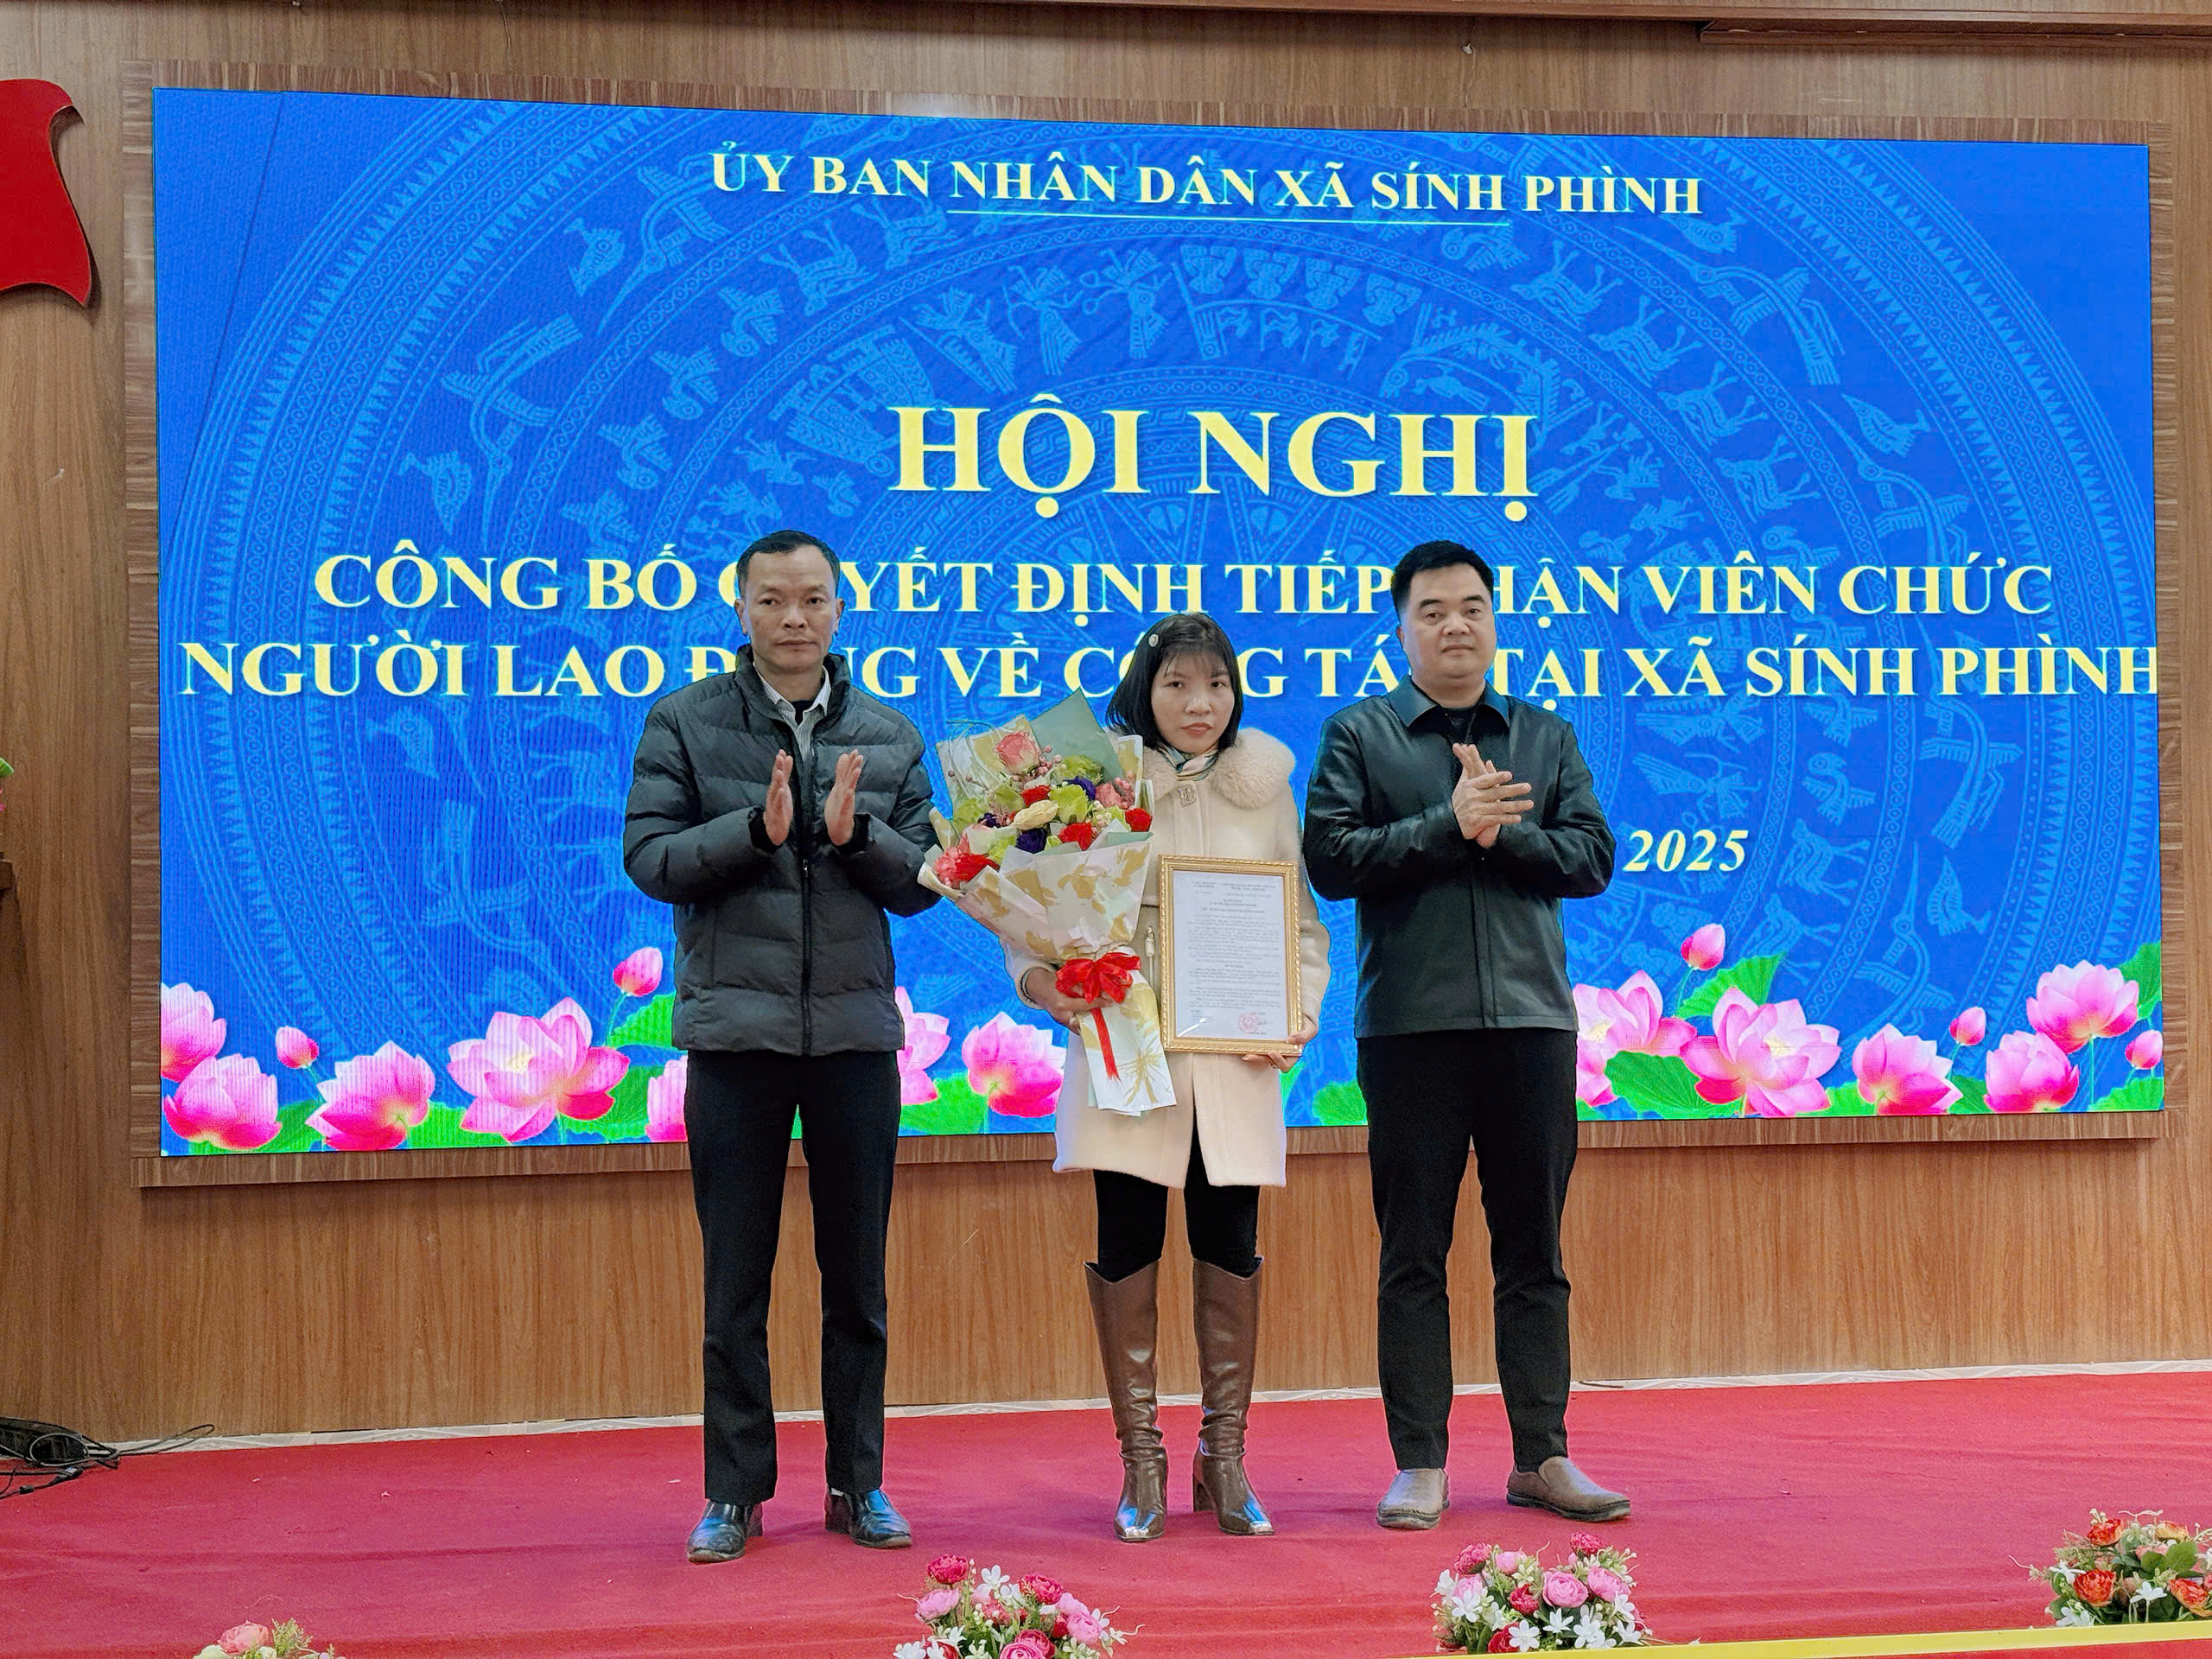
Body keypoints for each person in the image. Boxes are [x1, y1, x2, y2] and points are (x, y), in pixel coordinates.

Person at [623, 527, 940, 1563]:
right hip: (735, 1037)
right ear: (742, 609)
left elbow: (926, 882)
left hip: (853, 1038)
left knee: (857, 1281)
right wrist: (754, 832)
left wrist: (855, 836)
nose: (793, 618)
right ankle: (734, 1492)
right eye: (772, 600)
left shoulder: (888, 734)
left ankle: (859, 1484)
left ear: (840, 609)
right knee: (735, 1282)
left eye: (811, 599)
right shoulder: (684, 720)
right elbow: (648, 858)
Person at [1301, 539, 1625, 1529]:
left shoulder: (1546, 735)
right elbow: (1331, 860)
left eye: (1472, 607)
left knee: (1534, 1250)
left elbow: (1591, 859)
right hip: (1411, 1028)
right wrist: (1447, 824)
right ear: (1400, 630)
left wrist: (1500, 831)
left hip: (1531, 1024)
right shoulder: (1360, 735)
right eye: (1433, 611)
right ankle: (1419, 1464)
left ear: (1494, 621)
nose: (1455, 625)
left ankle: (1543, 1456)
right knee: (1413, 1252)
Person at [1011, 613, 1330, 1542]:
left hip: (1233, 1053)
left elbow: (1301, 925)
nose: (1200, 703)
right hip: (1127, 1041)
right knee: (1127, 1240)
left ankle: (1223, 1458)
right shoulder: (1091, 782)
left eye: (1217, 684)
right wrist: (1039, 979)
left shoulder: (1266, 787)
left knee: (1230, 1241)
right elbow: (1036, 908)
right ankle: (1142, 1462)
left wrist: (1297, 1009)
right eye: (1178, 684)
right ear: (1144, 692)